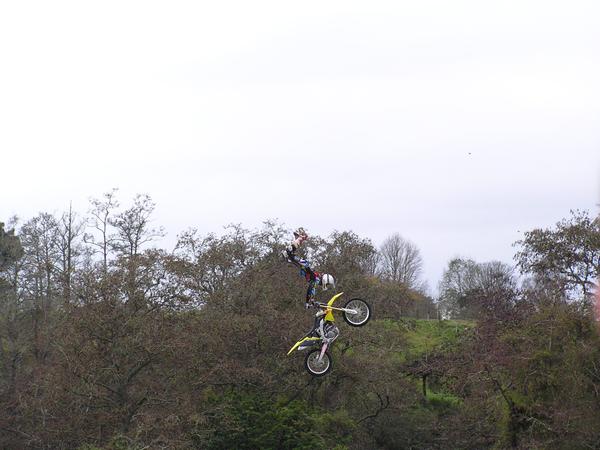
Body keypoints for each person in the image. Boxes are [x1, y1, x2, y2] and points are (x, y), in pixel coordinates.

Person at [282, 228, 336, 308]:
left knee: (295, 258)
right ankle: (297, 242)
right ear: (325, 281)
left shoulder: (316, 279)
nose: (326, 285)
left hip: (304, 268)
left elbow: (311, 289)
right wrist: (309, 302)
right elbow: (311, 289)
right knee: (301, 262)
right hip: (305, 267)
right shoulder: (316, 279)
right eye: (327, 284)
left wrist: (311, 302)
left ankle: (292, 249)